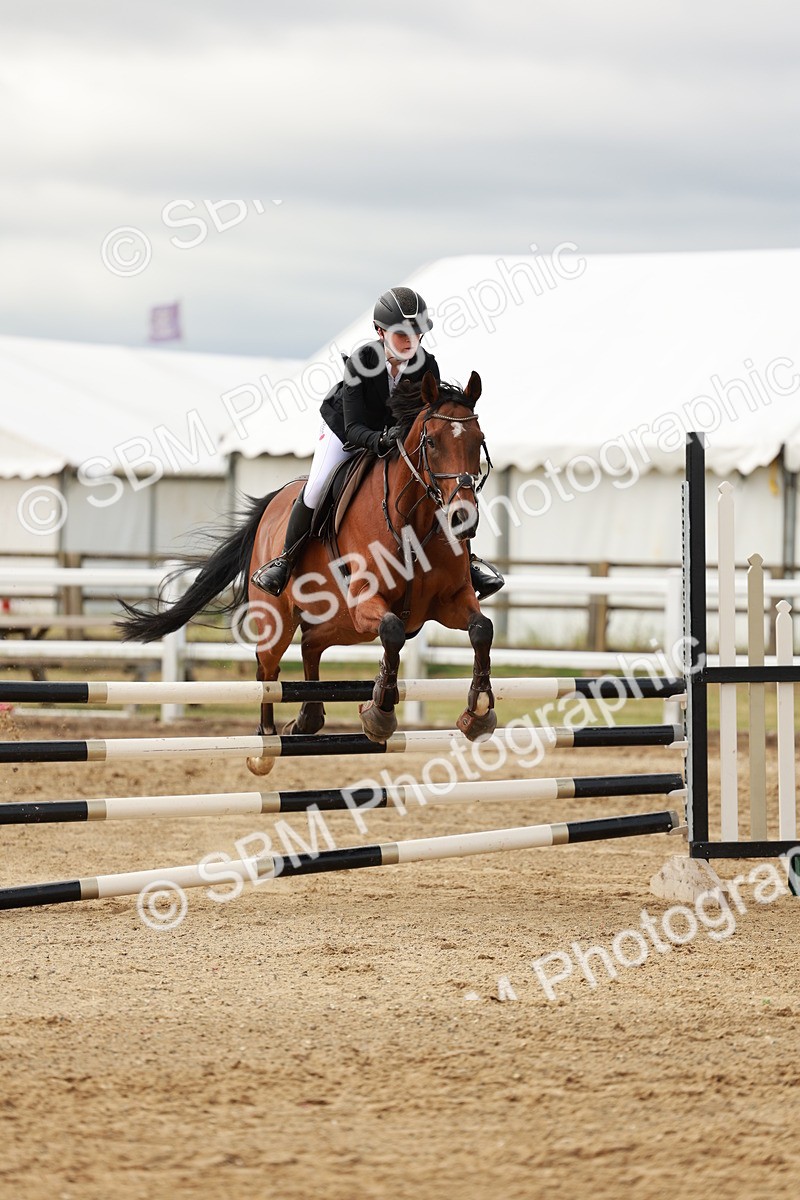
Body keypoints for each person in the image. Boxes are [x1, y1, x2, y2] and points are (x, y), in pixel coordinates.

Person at [251, 286, 505, 600]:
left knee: (441, 486)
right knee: (317, 486)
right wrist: (380, 439)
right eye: (402, 334)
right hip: (346, 431)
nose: (411, 342)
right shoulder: (362, 362)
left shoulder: (426, 365)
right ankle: (285, 560)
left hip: (395, 436)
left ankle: (467, 562)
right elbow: (353, 427)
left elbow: (428, 419)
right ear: (380, 331)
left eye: (417, 333)